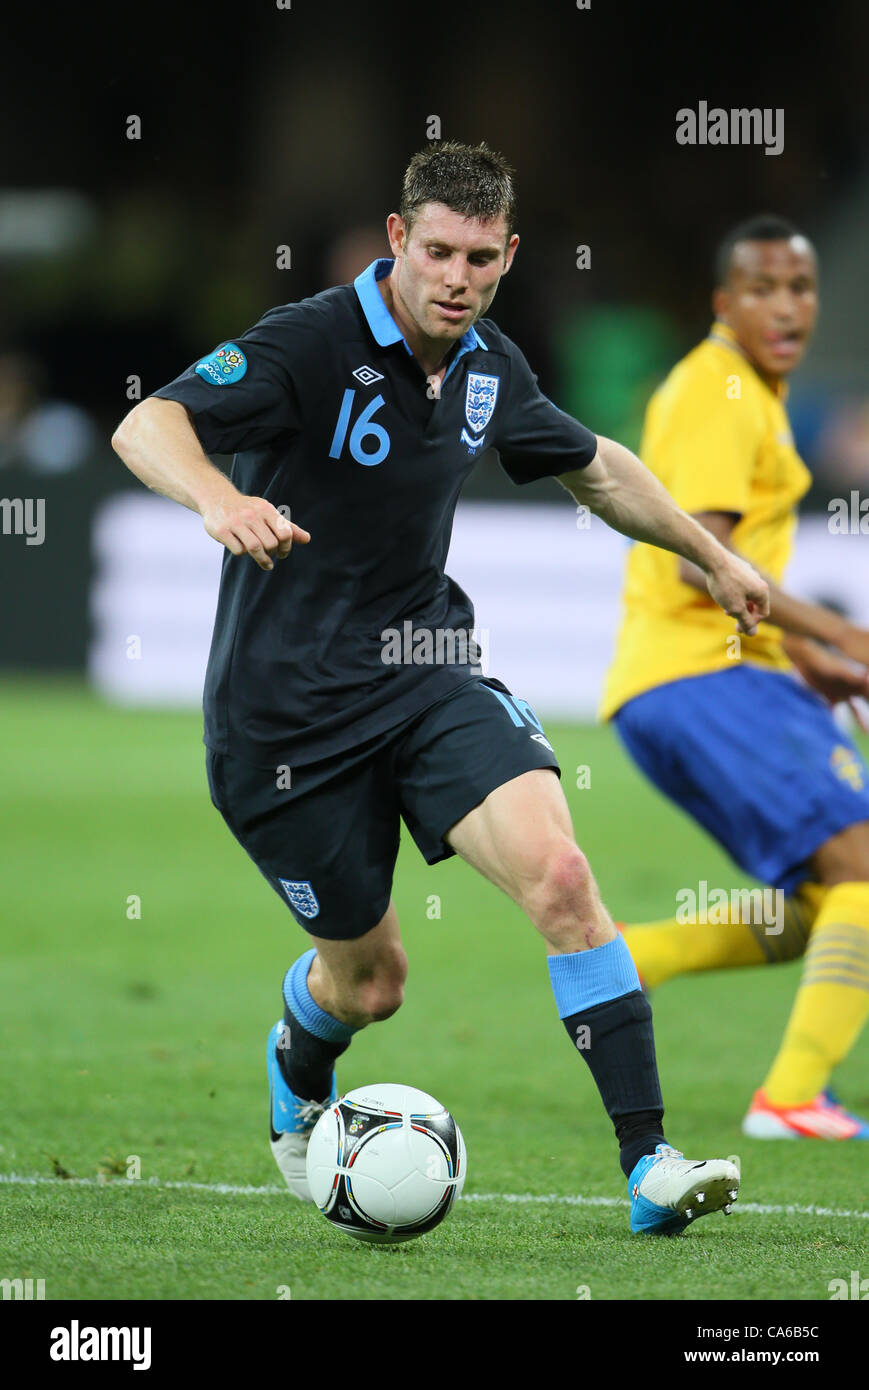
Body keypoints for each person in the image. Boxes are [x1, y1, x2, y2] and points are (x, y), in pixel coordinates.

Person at [112, 142, 766, 1232]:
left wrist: (708, 553)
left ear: (507, 254)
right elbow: (148, 424)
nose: (456, 279)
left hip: (424, 673)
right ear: (396, 241)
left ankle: (648, 1165)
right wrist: (219, 500)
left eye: (479, 258)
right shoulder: (308, 342)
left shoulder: (487, 364)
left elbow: (595, 465)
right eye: (437, 254)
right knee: (371, 984)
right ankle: (295, 1058)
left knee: (560, 874)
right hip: (282, 722)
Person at [601, 215, 869, 1140]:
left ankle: (629, 955)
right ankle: (790, 1097)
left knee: (815, 901)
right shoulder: (720, 386)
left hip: (688, 684)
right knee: (863, 868)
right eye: (761, 287)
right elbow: (697, 559)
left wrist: (805, 658)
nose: (785, 306)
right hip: (696, 678)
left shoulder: (739, 389)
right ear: (724, 302)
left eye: (799, 287)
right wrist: (842, 630)